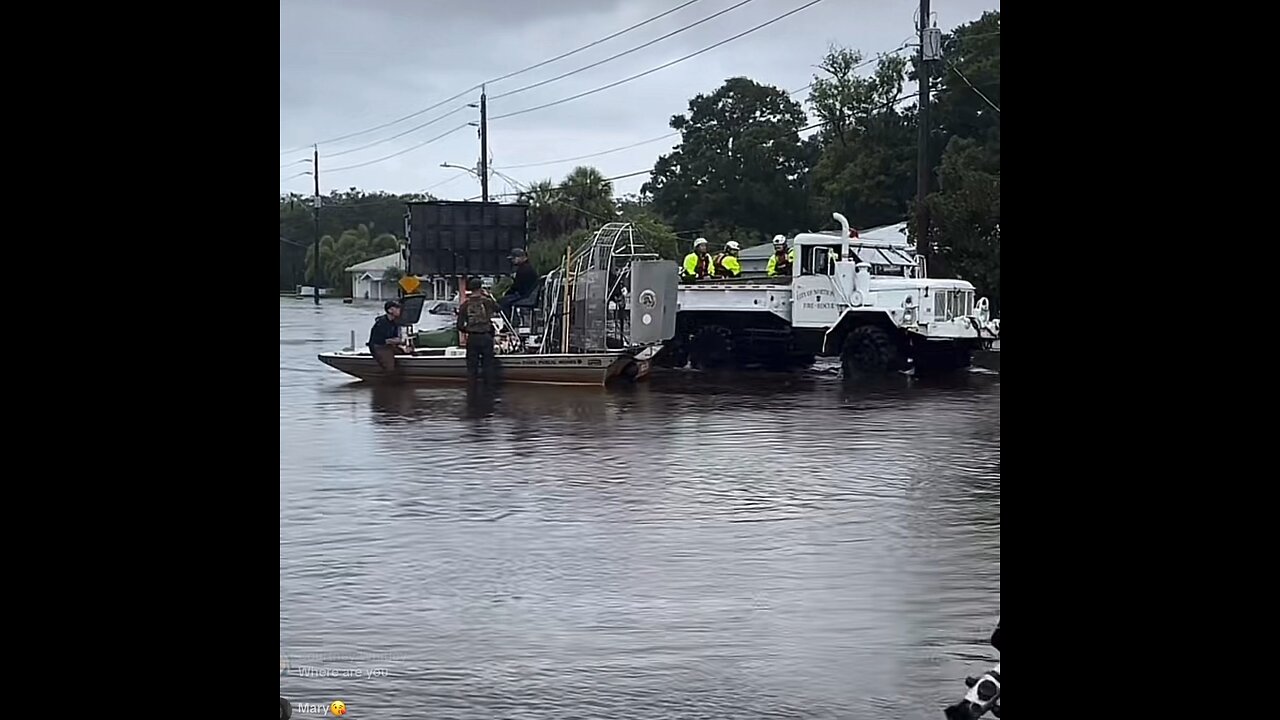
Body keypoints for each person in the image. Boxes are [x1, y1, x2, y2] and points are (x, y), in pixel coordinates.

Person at [457, 277, 501, 384]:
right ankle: (489, 391)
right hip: (486, 336)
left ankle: (472, 391)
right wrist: (488, 295)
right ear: (480, 288)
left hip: (472, 337)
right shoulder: (487, 301)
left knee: (472, 367)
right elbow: (499, 308)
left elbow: (459, 325)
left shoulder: (465, 305)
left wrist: (469, 330)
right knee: (488, 365)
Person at [367, 299, 406, 373]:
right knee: (389, 367)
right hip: (379, 346)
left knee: (406, 353)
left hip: (389, 345)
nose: (399, 310)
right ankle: (386, 380)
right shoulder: (382, 322)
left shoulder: (395, 322)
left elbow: (395, 336)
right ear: (390, 310)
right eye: (396, 308)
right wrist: (395, 340)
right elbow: (379, 340)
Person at [499, 248, 539, 319]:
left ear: (521, 257)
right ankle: (514, 320)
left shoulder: (523, 270)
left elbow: (517, 286)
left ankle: (510, 322)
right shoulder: (528, 267)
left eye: (514, 258)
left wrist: (507, 292)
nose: (512, 261)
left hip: (526, 295)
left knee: (504, 301)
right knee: (506, 299)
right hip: (529, 294)